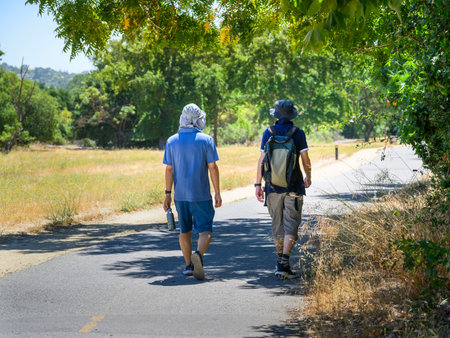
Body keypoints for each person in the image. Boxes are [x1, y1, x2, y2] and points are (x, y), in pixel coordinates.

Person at [163, 103, 222, 281]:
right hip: (201, 195)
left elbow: (169, 170)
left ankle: (188, 265)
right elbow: (213, 167)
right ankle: (199, 254)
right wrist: (217, 192)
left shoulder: (171, 141)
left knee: (184, 230)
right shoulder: (206, 140)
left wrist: (167, 194)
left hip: (180, 196)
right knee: (205, 231)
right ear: (198, 120)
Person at [255, 100, 312, 279]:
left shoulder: (268, 133)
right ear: (292, 114)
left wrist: (258, 184)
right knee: (291, 224)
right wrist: (308, 177)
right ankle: (284, 262)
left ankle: (281, 262)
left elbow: (261, 161)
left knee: (277, 225)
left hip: (272, 187)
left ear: (276, 115)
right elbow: (306, 160)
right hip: (294, 187)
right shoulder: (298, 133)